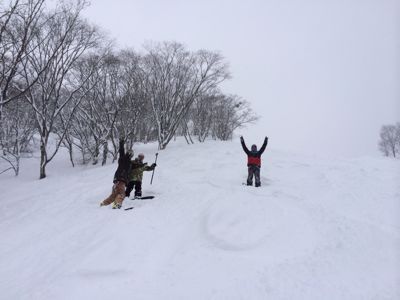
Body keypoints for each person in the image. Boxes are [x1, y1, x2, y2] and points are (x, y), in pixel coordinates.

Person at [100, 139, 133, 209]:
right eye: (130, 154)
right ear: (129, 154)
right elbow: (121, 151)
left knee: (113, 196)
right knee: (121, 194)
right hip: (121, 180)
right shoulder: (124, 159)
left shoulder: (127, 161)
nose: (131, 155)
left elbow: (128, 174)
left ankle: (103, 204)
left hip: (117, 181)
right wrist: (121, 143)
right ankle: (117, 204)